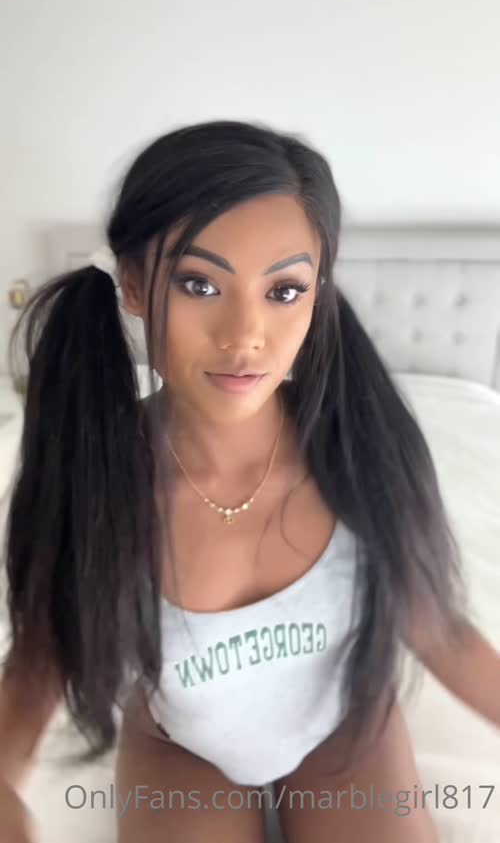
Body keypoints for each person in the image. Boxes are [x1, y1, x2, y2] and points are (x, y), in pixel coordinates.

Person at [0, 120, 499, 843]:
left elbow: (441, 630)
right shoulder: (96, 470)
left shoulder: (361, 447)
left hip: (343, 725)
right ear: (134, 284)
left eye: (284, 290)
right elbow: (43, 649)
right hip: (182, 743)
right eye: (199, 284)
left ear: (317, 292)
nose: (244, 335)